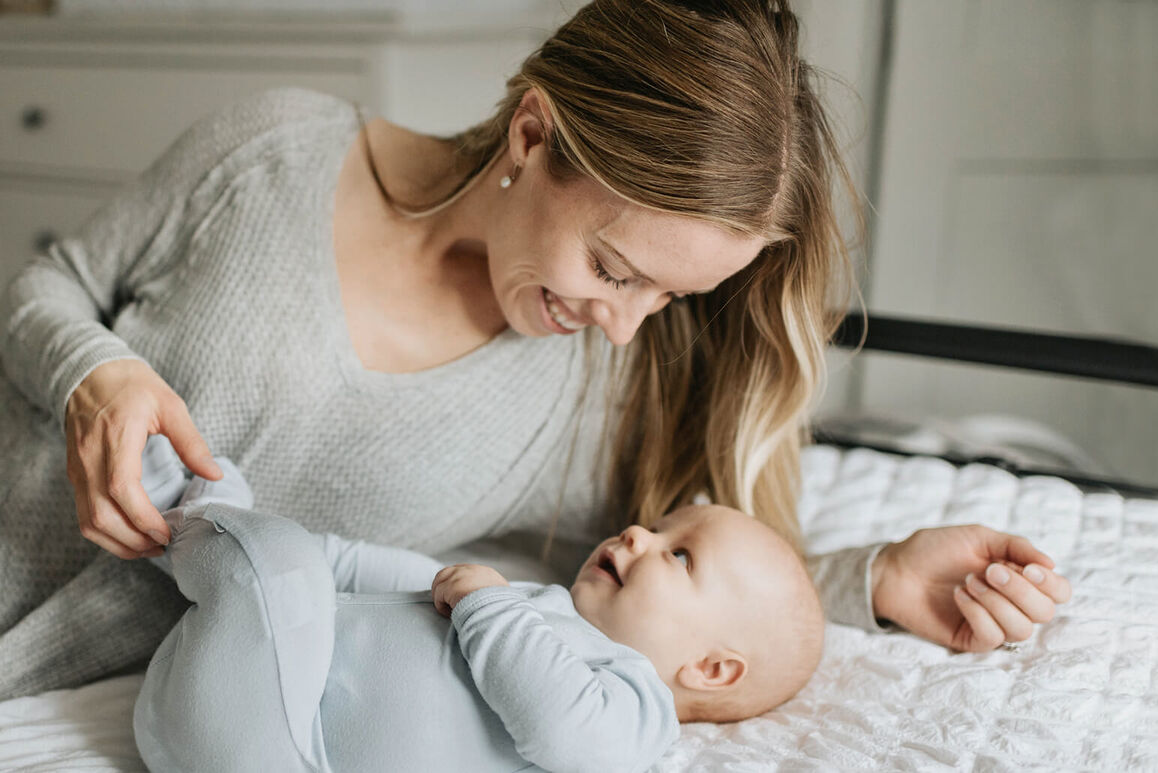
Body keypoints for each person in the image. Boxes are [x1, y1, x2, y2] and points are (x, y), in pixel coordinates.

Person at [0, 0, 1071, 700]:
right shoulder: (274, 147)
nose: (624, 321)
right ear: (531, 135)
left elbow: (667, 593)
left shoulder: (591, 397)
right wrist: (95, 370)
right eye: (614, 267)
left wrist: (876, 577)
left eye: (669, 295)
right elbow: (46, 289)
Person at [132, 437, 823, 772]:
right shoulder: (529, 600)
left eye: (679, 554)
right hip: (243, 678)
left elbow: (570, 734)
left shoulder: (633, 700)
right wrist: (306, 554)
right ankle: (203, 525)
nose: (639, 532)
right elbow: (375, 568)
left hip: (282, 750)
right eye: (660, 524)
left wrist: (488, 607)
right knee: (294, 560)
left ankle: (196, 510)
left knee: (271, 565)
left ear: (712, 669)